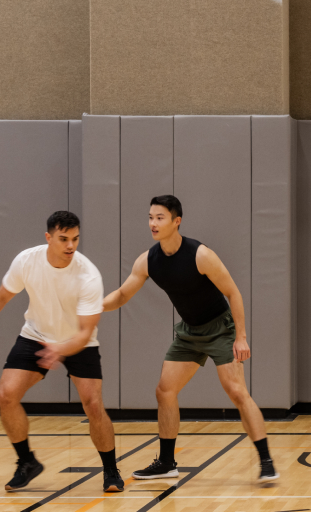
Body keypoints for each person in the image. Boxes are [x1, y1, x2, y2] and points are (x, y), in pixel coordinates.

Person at [103, 195, 278, 485]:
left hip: (221, 329)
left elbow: (233, 292)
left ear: (176, 221)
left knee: (236, 392)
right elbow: (122, 294)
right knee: (165, 391)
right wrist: (95, 306)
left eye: (159, 218)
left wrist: (241, 337)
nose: (153, 224)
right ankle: (167, 463)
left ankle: (266, 461)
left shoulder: (201, 255)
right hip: (190, 333)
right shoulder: (148, 261)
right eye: (150, 217)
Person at [0, 211, 122, 492]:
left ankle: (110, 469)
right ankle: (26, 461)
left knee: (93, 404)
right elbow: (2, 296)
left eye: (76, 239)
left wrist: (61, 349)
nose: (71, 246)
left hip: (79, 342)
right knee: (6, 396)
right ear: (48, 238)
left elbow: (83, 333)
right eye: (63, 239)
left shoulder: (88, 276)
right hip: (36, 335)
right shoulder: (27, 261)